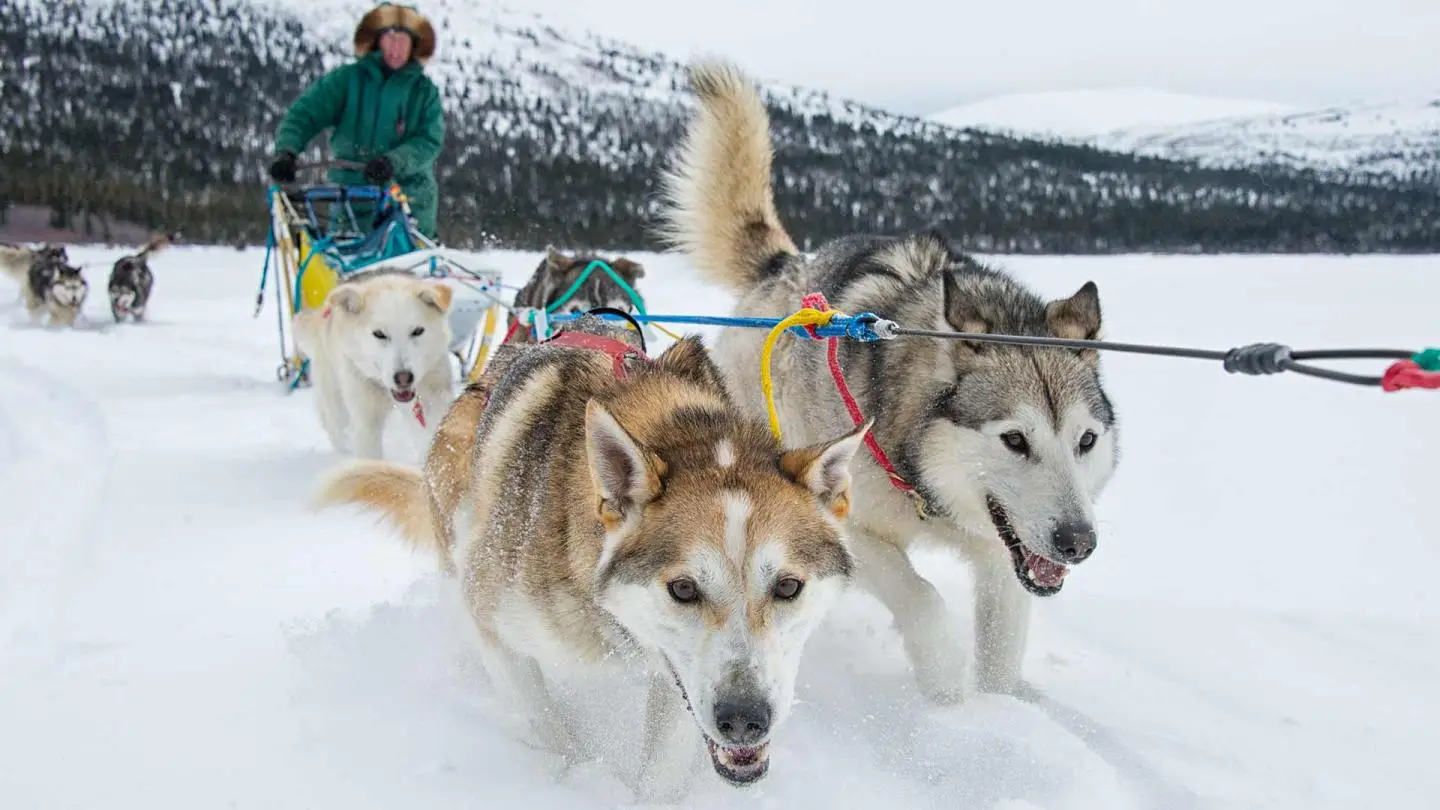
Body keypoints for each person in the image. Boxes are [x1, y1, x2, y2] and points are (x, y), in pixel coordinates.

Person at [267, 3, 445, 239]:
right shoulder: (347, 80)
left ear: (413, 45)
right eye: (391, 38)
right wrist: (286, 152)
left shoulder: (425, 92)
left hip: (408, 202)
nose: (396, 47)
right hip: (350, 200)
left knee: (405, 273)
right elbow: (304, 114)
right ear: (377, 41)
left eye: (403, 40)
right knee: (343, 272)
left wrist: (393, 162)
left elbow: (429, 141)